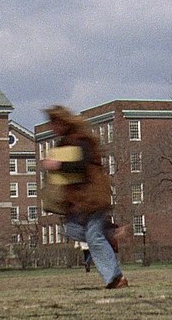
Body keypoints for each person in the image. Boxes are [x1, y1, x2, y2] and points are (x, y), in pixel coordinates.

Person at [41, 105, 128, 289]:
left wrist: (58, 165)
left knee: (93, 236)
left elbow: (82, 165)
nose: (52, 128)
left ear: (63, 122)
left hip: (93, 194)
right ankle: (109, 232)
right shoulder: (62, 144)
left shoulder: (83, 140)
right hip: (75, 199)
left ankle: (116, 278)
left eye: (54, 123)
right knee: (72, 230)